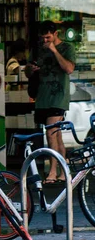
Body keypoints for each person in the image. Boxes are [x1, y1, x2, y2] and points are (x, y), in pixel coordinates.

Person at [25, 21, 76, 184]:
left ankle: (52, 172)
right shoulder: (38, 49)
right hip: (42, 97)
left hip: (58, 96)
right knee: (57, 136)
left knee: (50, 133)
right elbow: (26, 71)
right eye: (43, 38)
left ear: (56, 34)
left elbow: (69, 69)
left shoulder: (67, 48)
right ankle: (64, 171)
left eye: (48, 37)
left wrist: (54, 50)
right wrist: (30, 70)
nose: (45, 41)